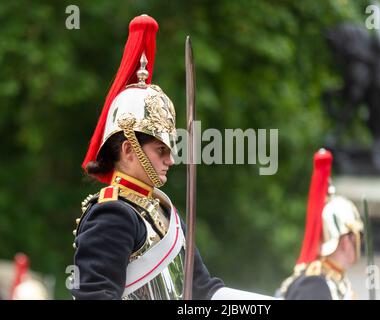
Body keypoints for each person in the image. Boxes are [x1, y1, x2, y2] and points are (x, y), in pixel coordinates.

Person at [70, 14, 275, 300]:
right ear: (129, 149)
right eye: (161, 150)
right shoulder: (111, 214)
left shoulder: (164, 212)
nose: (171, 160)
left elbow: (205, 292)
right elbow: (95, 295)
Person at [277, 149, 364, 300]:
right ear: (344, 241)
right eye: (358, 236)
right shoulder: (313, 285)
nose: (360, 242)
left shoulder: (333, 280)